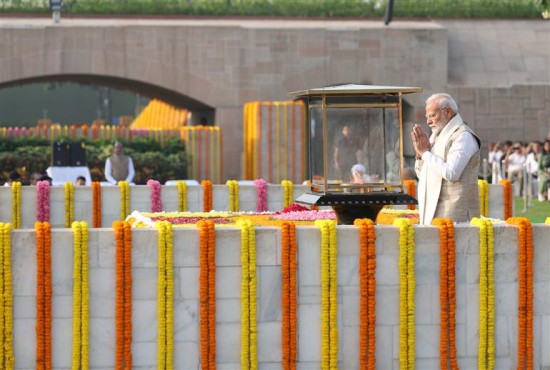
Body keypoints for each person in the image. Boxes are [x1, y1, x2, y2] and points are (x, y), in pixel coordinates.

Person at [411, 93, 481, 225]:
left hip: (457, 217)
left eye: (432, 115)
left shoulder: (464, 136)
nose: (428, 121)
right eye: (427, 117)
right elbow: (423, 175)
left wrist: (426, 154)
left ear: (447, 111)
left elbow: (451, 173)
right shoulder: (436, 137)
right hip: (434, 213)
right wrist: (420, 156)